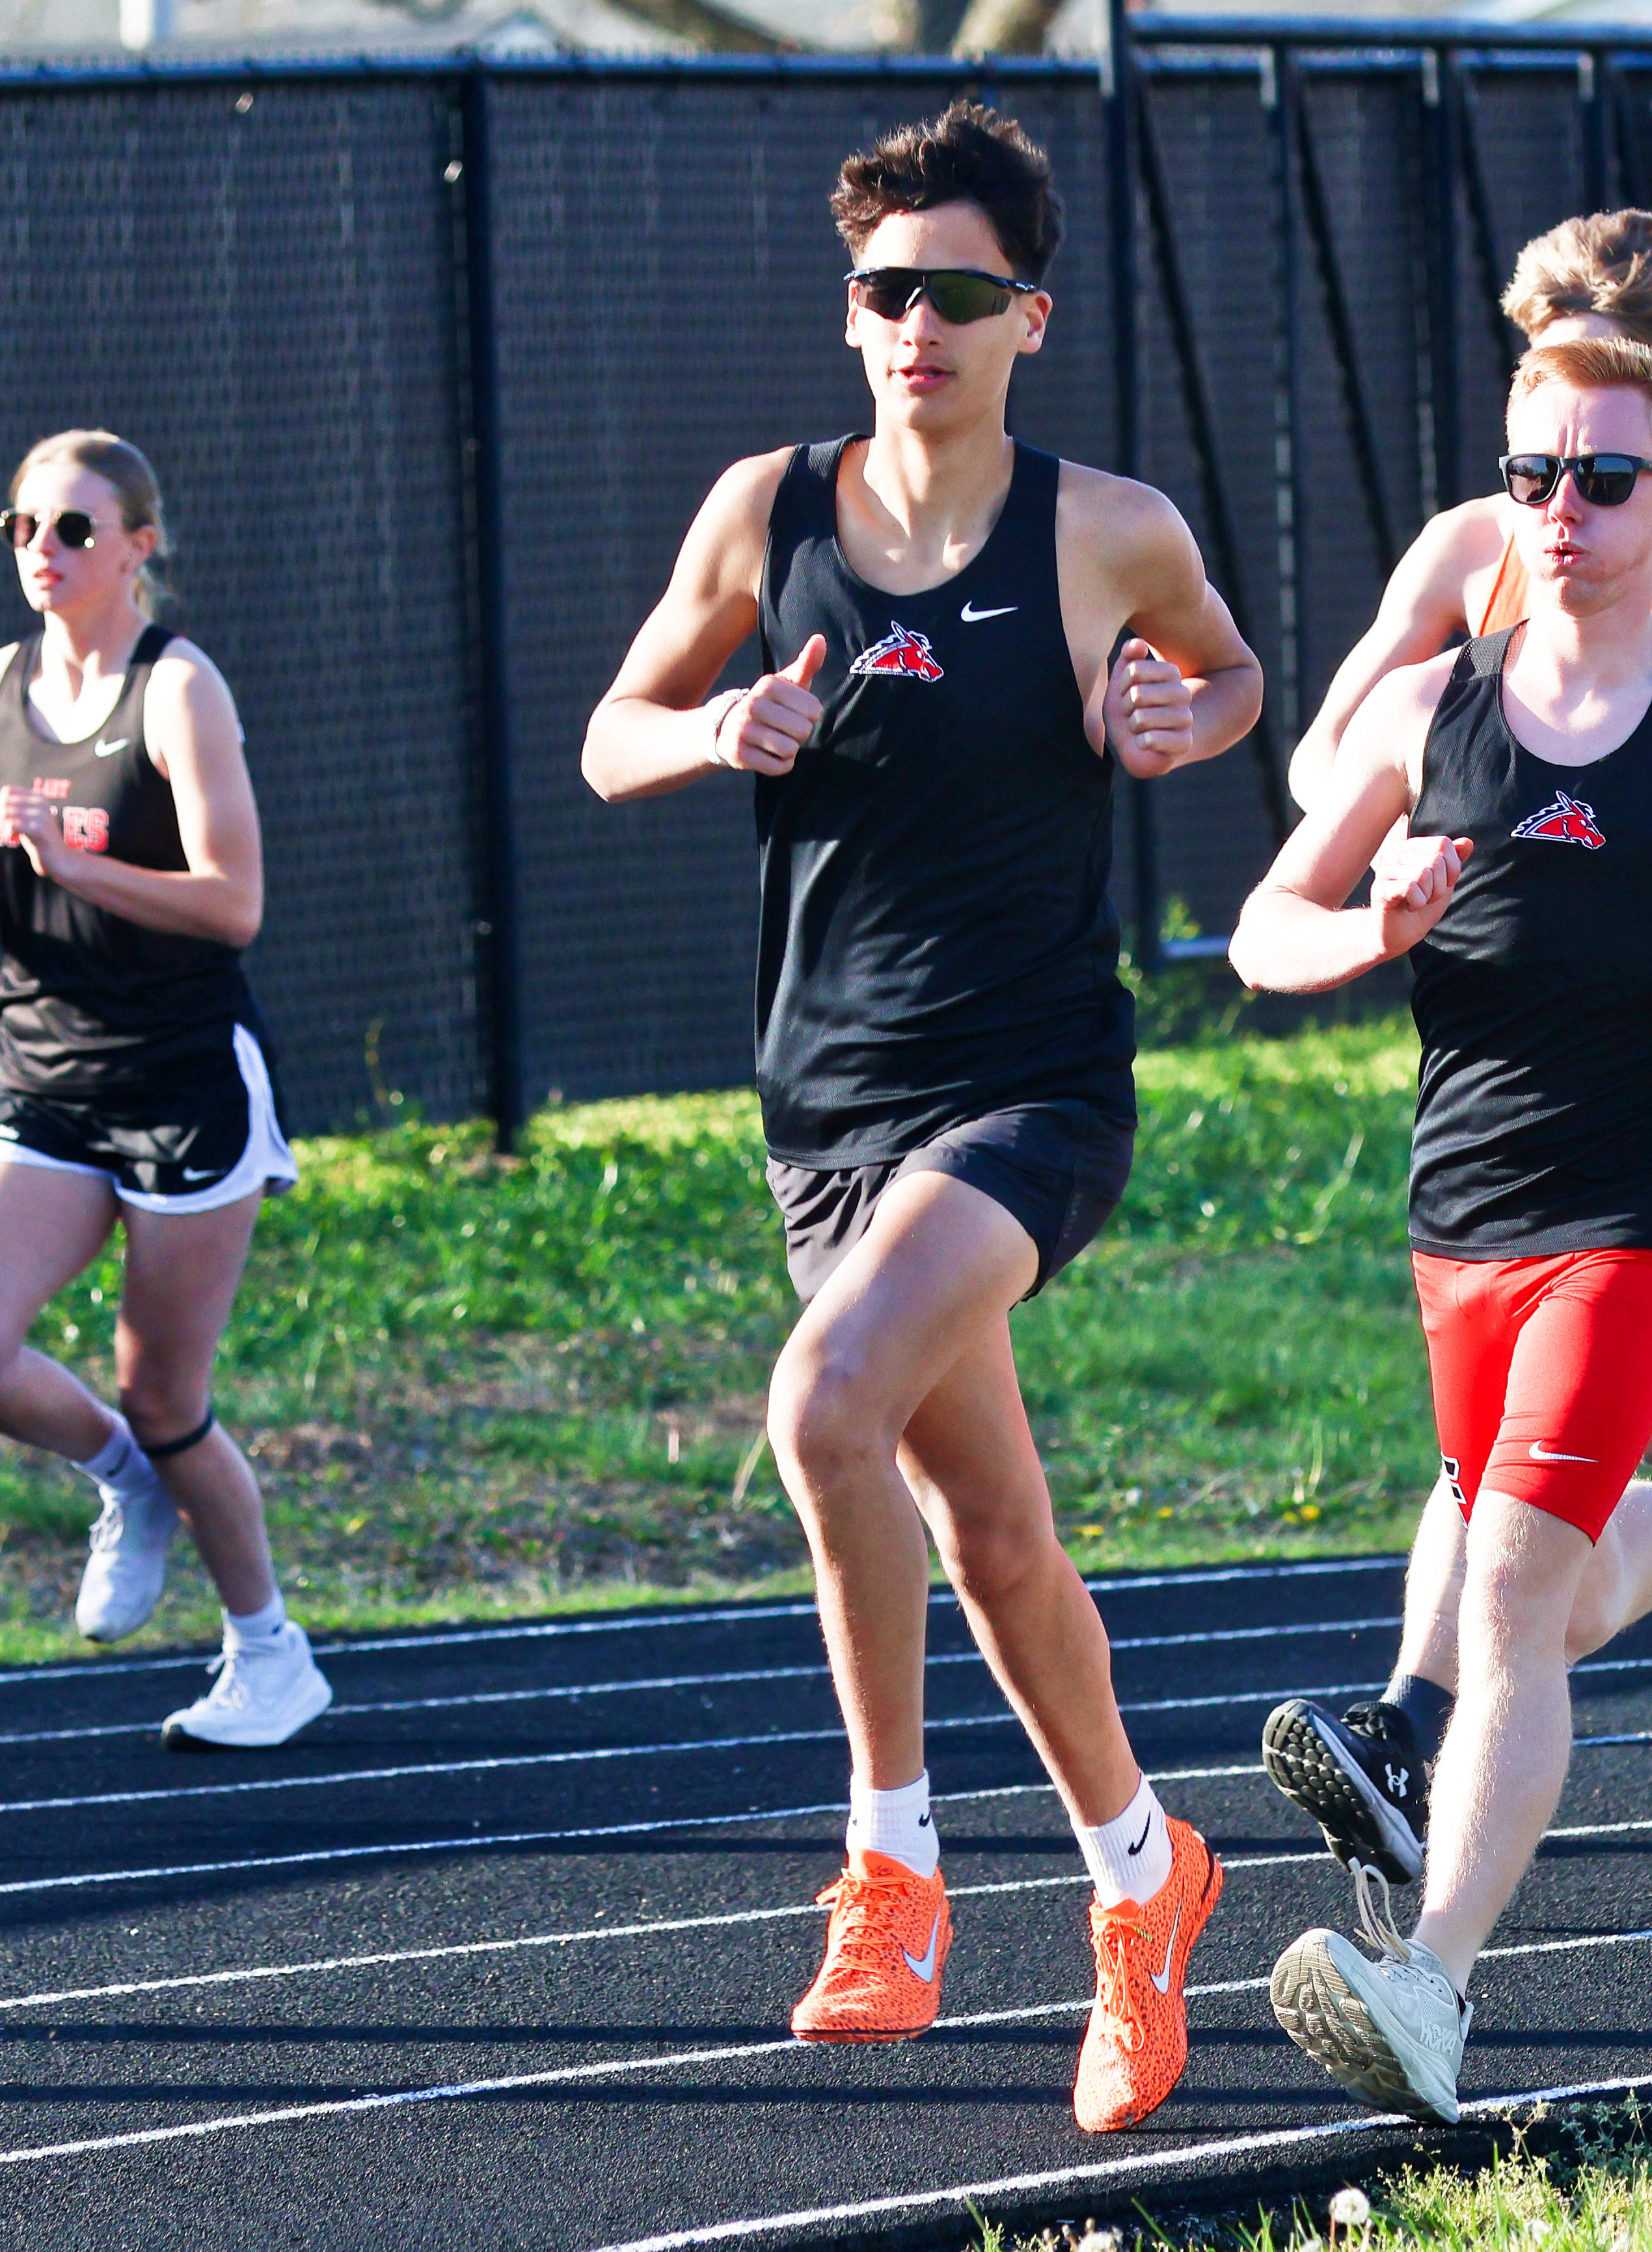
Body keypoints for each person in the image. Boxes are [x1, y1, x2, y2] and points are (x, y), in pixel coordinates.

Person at [577, 102, 1262, 2134]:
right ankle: (1145, 1871)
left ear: (1025, 315)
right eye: (885, 290)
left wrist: (1174, 714)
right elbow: (610, 733)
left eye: (957, 291)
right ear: (852, 310)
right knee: (994, 1536)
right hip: (827, 1110)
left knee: (823, 1404)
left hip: (1028, 1086)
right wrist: (716, 724)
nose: (916, 325)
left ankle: (890, 1864)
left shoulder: (1104, 529)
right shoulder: (763, 509)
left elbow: (1229, 676)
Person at [1234, 337, 1652, 2120]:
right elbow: (1262, 927)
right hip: (1460, 1220)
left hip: (1635, 1214)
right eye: (1531, 475)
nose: (1561, 509)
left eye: (1604, 479)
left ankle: (1430, 1981)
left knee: (1514, 1586)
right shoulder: (1417, 712)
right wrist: (1370, 925)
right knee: (1571, 1580)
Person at [0, 431, 328, 1752]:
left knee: (165, 1394)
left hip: (184, 1083)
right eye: (23, 527)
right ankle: (125, 1485)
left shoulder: (177, 689)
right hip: (45, 1072)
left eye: (75, 528)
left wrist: (83, 872)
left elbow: (234, 903)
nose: (44, 550)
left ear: (139, 544)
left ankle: (271, 1655)